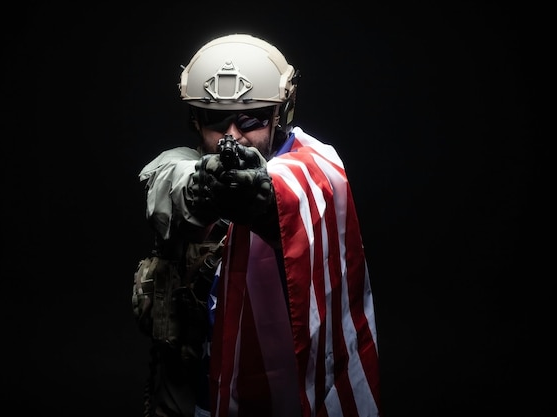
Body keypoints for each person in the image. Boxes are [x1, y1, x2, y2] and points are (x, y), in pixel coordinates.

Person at [132, 33, 381, 417]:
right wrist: (204, 185)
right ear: (194, 118)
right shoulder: (180, 163)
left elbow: (299, 190)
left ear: (280, 114)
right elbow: (170, 187)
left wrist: (263, 196)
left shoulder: (311, 166)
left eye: (250, 118)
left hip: (283, 386)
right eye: (215, 119)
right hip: (192, 379)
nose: (232, 136)